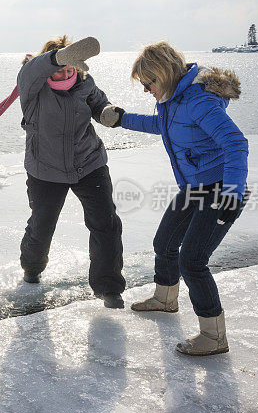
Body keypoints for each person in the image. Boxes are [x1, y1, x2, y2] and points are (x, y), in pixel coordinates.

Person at [99, 41, 248, 355]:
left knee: (193, 261)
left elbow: (236, 143)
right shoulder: (174, 100)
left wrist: (232, 196)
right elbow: (162, 126)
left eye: (147, 83)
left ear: (161, 73)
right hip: (193, 188)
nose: (146, 90)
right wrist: (123, 118)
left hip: (220, 190)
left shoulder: (199, 101)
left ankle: (214, 335)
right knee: (164, 243)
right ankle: (165, 300)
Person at [0, 35, 126, 308]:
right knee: (42, 225)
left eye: (71, 68)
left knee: (106, 223)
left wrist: (106, 112)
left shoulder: (84, 84)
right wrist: (59, 56)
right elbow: (31, 70)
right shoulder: (32, 86)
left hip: (89, 162)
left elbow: (98, 102)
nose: (67, 73)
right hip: (45, 168)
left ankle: (109, 288)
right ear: (48, 67)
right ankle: (32, 268)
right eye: (60, 67)